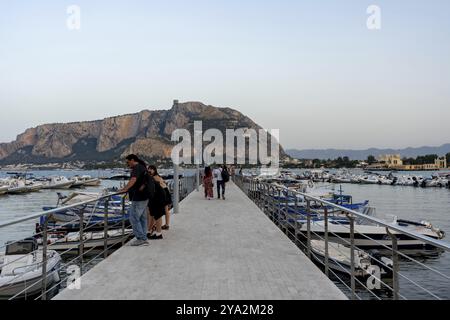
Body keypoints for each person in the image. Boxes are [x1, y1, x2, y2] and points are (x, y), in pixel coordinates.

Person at [119, 154, 150, 246]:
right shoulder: (142, 167)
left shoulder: (136, 168)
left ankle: (141, 239)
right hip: (144, 197)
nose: (127, 164)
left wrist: (124, 189)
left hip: (139, 197)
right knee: (142, 218)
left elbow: (133, 179)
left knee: (133, 218)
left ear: (132, 160)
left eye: (128, 162)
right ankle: (143, 237)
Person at [146, 165, 167, 240]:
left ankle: (158, 234)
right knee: (152, 214)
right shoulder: (151, 178)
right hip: (156, 197)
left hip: (158, 197)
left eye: (151, 169)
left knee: (158, 216)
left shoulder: (151, 178)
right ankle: (149, 231)